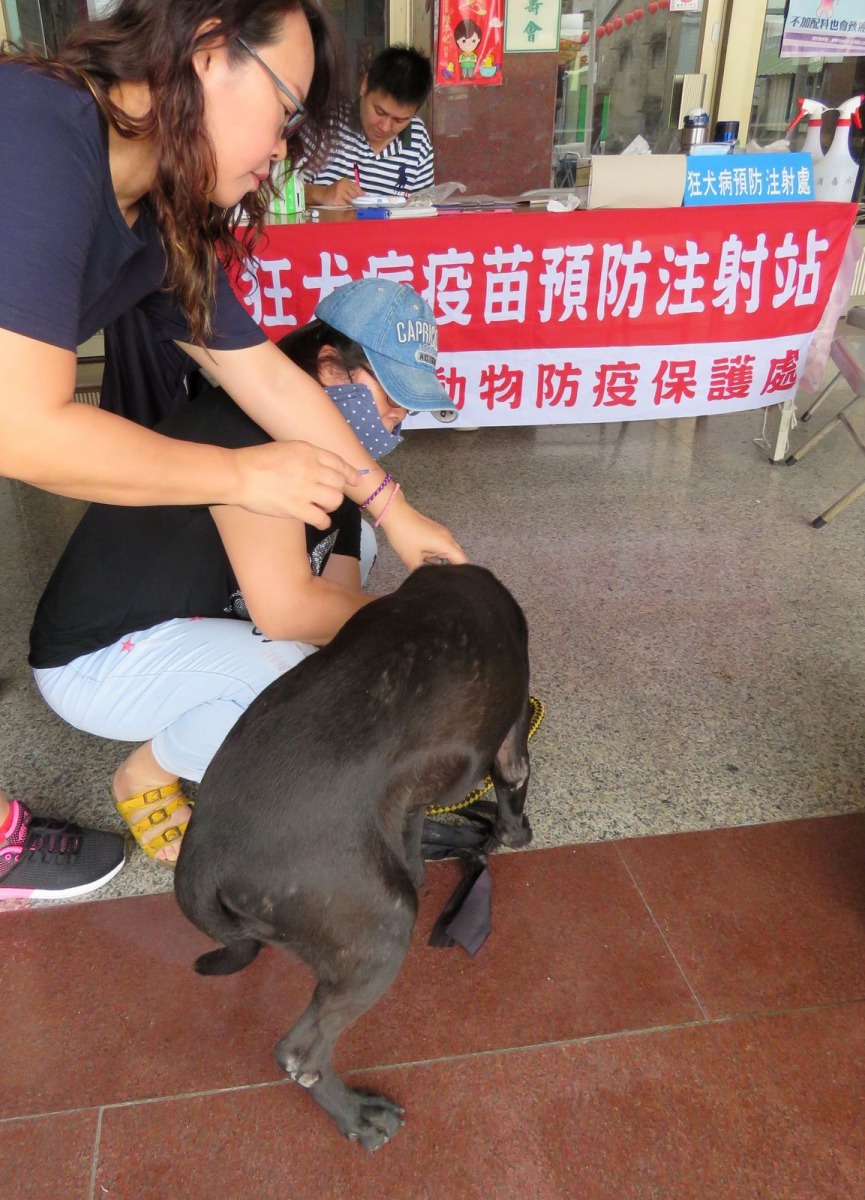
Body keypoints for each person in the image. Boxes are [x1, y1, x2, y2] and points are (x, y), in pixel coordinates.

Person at [0, 0, 465, 899]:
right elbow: (23, 426)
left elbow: (265, 375)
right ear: (209, 50)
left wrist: (395, 512)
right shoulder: (40, 128)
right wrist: (244, 473)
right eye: (287, 110)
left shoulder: (152, 216)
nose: (285, 151)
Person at [28, 280, 457, 867]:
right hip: (100, 662)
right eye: (391, 396)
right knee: (292, 685)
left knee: (331, 657)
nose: (397, 418)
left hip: (187, 629)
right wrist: (432, 628)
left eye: (409, 406)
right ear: (329, 367)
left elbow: (341, 596)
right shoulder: (248, 434)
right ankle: (146, 773)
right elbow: (288, 613)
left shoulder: (336, 458)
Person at [303, 45, 434, 206]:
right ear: (365, 84)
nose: (385, 127)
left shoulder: (417, 137)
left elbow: (423, 207)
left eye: (399, 120)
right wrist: (320, 193)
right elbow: (278, 193)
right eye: (379, 112)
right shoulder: (326, 125)